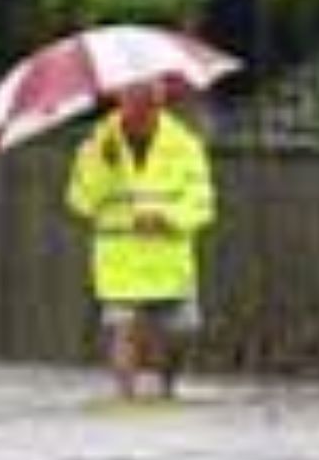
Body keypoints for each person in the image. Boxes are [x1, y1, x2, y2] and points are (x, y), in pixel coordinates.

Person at [65, 79, 215, 400]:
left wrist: (168, 219)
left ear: (159, 105)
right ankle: (126, 397)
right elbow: (80, 202)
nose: (140, 113)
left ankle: (167, 387)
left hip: (168, 259)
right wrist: (103, 167)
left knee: (183, 331)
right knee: (123, 329)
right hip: (120, 260)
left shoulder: (185, 145)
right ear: (121, 102)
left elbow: (202, 202)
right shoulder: (97, 145)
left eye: (149, 105)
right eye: (133, 104)